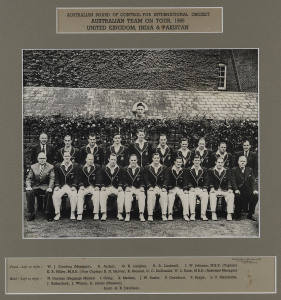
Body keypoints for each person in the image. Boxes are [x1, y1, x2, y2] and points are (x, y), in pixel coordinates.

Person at [25, 152, 55, 221]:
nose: (42, 160)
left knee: (49, 193)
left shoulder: (50, 167)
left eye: (44, 158)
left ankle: (48, 212)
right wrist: (29, 186)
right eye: (40, 158)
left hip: (45, 186)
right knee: (29, 192)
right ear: (38, 159)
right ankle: (32, 213)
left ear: (46, 159)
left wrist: (50, 187)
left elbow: (52, 178)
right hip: (36, 186)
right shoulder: (33, 166)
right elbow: (29, 178)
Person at [52, 151, 79, 221]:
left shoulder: (75, 165)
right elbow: (57, 177)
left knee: (74, 195)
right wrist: (57, 185)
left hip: (70, 186)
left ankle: (72, 213)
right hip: (61, 186)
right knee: (55, 195)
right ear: (63, 157)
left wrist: (74, 186)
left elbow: (76, 177)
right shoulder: (58, 166)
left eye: (68, 156)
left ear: (70, 157)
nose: (67, 157)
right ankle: (57, 213)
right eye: (65, 156)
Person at [231, 156, 258, 221]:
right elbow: (233, 181)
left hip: (247, 189)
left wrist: (254, 190)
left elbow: (252, 181)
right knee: (238, 196)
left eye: (244, 161)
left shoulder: (250, 169)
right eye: (241, 161)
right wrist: (236, 189)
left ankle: (250, 214)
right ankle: (238, 214)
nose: (242, 163)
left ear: (246, 162)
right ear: (238, 162)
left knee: (255, 196)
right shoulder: (234, 169)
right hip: (239, 189)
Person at [100, 153, 125, 221]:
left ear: (116, 160)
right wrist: (102, 186)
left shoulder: (120, 168)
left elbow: (121, 179)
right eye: (111, 159)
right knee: (102, 193)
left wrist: (120, 186)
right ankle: (104, 213)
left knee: (121, 193)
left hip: (116, 187)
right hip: (107, 187)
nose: (113, 161)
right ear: (108, 159)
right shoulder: (104, 168)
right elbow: (101, 179)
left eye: (114, 159)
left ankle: (119, 213)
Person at [77, 154, 102, 221]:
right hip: (84, 187)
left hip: (93, 186)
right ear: (86, 160)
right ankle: (79, 213)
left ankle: (96, 213)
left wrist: (97, 185)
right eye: (89, 159)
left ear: (94, 160)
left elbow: (99, 177)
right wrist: (81, 185)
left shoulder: (97, 167)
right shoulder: (81, 167)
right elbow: (79, 178)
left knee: (96, 194)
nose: (90, 161)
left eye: (92, 159)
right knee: (80, 193)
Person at [144, 153, 168, 221]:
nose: (156, 159)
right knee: (151, 195)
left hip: (160, 187)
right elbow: (146, 179)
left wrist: (164, 187)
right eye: (155, 158)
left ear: (159, 159)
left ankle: (163, 214)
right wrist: (149, 186)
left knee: (164, 194)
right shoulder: (147, 167)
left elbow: (166, 179)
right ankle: (150, 215)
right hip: (151, 187)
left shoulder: (164, 167)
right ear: (152, 159)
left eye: (158, 158)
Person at [163, 157, 189, 221]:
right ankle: (170, 214)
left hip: (180, 188)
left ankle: (185, 215)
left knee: (185, 196)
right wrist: (169, 188)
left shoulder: (184, 170)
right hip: (172, 188)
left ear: (182, 163)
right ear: (174, 162)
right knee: (171, 196)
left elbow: (185, 180)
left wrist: (185, 189)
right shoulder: (169, 169)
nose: (178, 163)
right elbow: (167, 179)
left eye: (180, 162)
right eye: (177, 162)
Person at [209, 157, 234, 221]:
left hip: (224, 189)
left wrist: (229, 188)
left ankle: (229, 213)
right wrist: (211, 188)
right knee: (212, 195)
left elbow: (229, 180)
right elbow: (210, 180)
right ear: (216, 162)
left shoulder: (227, 170)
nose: (220, 164)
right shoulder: (211, 170)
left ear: (223, 163)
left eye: (221, 162)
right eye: (218, 162)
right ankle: (213, 213)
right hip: (215, 189)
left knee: (231, 195)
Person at [123, 154, 146, 222]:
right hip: (129, 188)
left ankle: (141, 214)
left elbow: (142, 180)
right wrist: (126, 187)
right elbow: (124, 180)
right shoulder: (125, 169)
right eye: (132, 160)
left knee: (142, 194)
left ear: (137, 160)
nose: (133, 162)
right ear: (129, 161)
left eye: (134, 160)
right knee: (127, 195)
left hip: (137, 188)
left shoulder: (141, 169)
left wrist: (142, 187)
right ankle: (127, 214)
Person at [187, 155, 209, 221]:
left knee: (205, 195)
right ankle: (192, 214)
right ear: (193, 161)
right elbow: (187, 180)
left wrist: (205, 187)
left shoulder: (204, 169)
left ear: (200, 161)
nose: (197, 162)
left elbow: (207, 180)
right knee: (191, 195)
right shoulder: (189, 169)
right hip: (192, 188)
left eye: (198, 160)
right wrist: (190, 187)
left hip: (201, 188)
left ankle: (203, 214)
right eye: (195, 160)